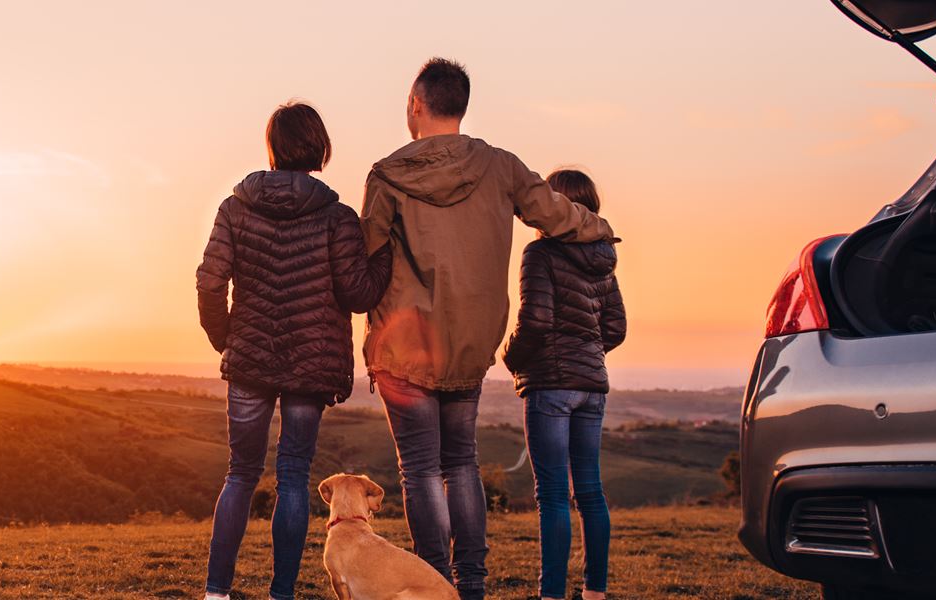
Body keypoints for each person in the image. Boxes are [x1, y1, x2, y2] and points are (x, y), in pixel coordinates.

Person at [359, 58, 616, 600]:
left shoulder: (386, 175)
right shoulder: (502, 167)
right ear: (462, 104)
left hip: (404, 349)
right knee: (461, 463)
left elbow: (367, 262)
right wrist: (601, 229)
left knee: (421, 471)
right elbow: (555, 214)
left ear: (415, 104)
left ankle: (432, 585)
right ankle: (471, 585)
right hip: (471, 344)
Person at [196, 101, 393, 600]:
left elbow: (209, 281)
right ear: (320, 148)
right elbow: (357, 294)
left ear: (272, 148)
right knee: (292, 476)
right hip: (310, 366)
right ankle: (281, 593)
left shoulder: (233, 208)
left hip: (250, 364)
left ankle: (216, 591)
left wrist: (230, 340)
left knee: (240, 474)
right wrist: (385, 252)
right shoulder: (337, 218)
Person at [504, 169, 625, 600]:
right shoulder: (603, 258)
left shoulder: (540, 255)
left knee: (553, 494)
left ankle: (552, 593)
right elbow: (616, 327)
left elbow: (534, 321)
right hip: (592, 386)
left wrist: (509, 356)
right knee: (590, 491)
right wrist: (586, 355)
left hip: (550, 386)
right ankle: (595, 591)